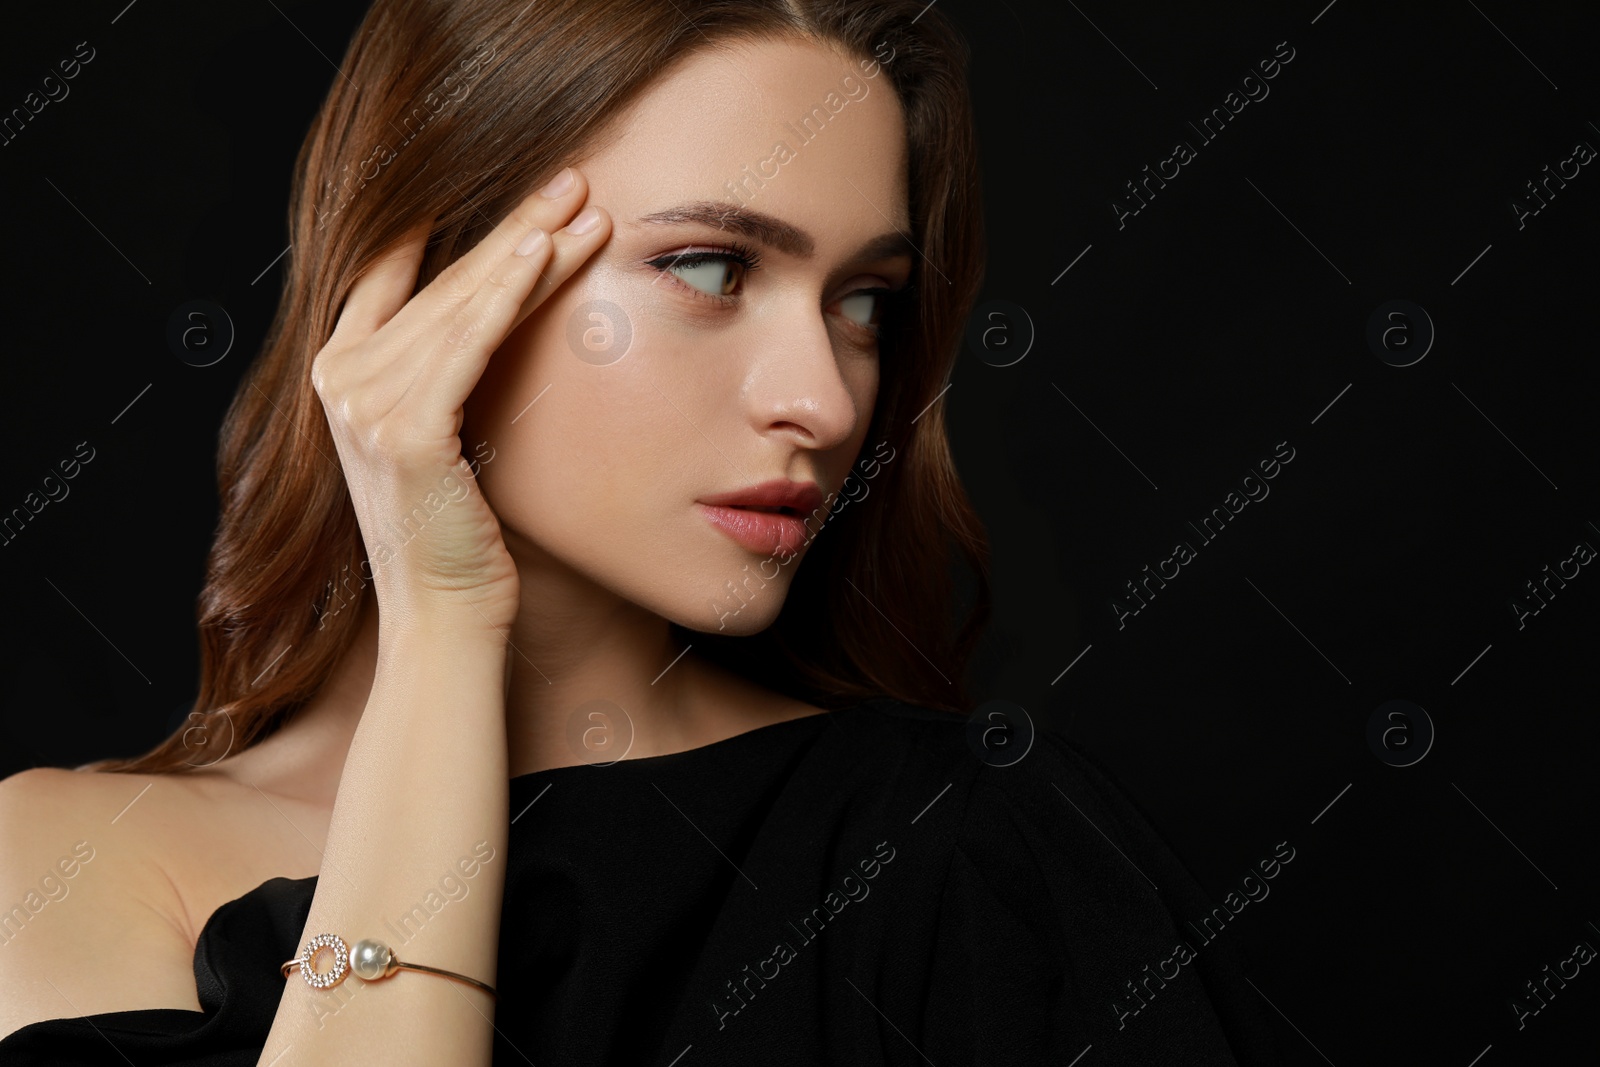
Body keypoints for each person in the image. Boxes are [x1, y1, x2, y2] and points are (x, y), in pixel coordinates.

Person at [0, 0, 1278, 1062]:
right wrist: (442, 623)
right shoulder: (66, 860)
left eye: (864, 301)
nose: (825, 400)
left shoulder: (969, 855)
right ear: (426, 281)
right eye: (712, 268)